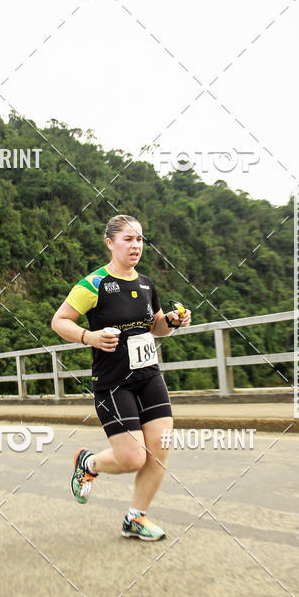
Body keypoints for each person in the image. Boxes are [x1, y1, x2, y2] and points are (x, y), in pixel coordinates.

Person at [51, 214, 191, 541]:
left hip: (149, 376)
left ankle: (135, 518)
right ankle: (88, 464)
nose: (135, 246)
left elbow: (155, 327)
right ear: (110, 243)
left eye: (140, 239)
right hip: (113, 382)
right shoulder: (93, 284)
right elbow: (60, 321)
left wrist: (171, 321)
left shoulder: (146, 284)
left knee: (159, 449)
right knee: (132, 458)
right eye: (128, 239)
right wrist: (89, 336)